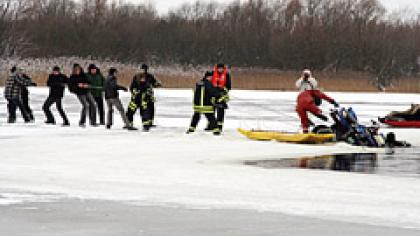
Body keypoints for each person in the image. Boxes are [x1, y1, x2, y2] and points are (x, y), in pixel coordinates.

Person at [186, 71, 221, 136]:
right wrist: (219, 94)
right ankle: (216, 131)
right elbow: (212, 92)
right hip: (205, 105)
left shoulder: (199, 82)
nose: (212, 78)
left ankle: (191, 129)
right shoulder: (208, 83)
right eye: (212, 77)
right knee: (211, 117)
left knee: (196, 117)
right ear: (208, 77)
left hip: (198, 105)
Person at [209, 64, 231, 131]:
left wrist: (223, 91)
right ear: (217, 69)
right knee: (211, 111)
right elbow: (208, 83)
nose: (220, 70)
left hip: (222, 96)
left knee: (220, 111)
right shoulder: (212, 74)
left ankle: (219, 126)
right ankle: (211, 125)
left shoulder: (226, 75)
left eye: (221, 68)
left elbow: (229, 86)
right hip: (213, 95)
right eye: (219, 68)